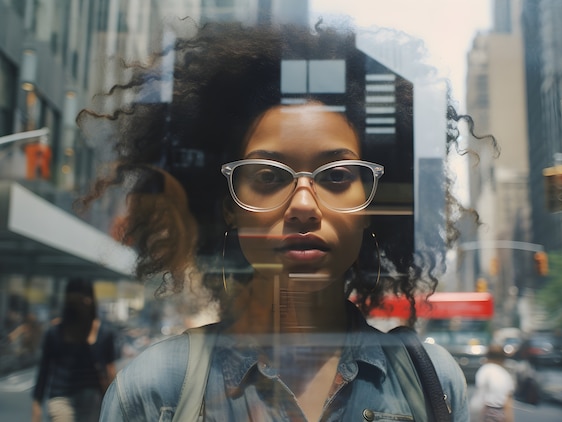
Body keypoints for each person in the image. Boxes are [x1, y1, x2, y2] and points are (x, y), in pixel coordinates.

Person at [77, 21, 484, 422]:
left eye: (337, 176)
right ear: (228, 207)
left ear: (371, 206)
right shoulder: (153, 391)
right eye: (269, 176)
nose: (303, 205)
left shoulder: (431, 384)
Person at [32, 278, 116, 422]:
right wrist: (36, 405)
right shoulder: (54, 332)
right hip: (61, 397)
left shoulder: (103, 332)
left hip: (91, 397)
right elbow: (44, 369)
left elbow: (109, 370)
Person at [470, 344, 515, 422]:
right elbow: (508, 403)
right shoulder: (505, 375)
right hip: (498, 412)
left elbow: (481, 395)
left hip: (484, 410)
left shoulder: (484, 370)